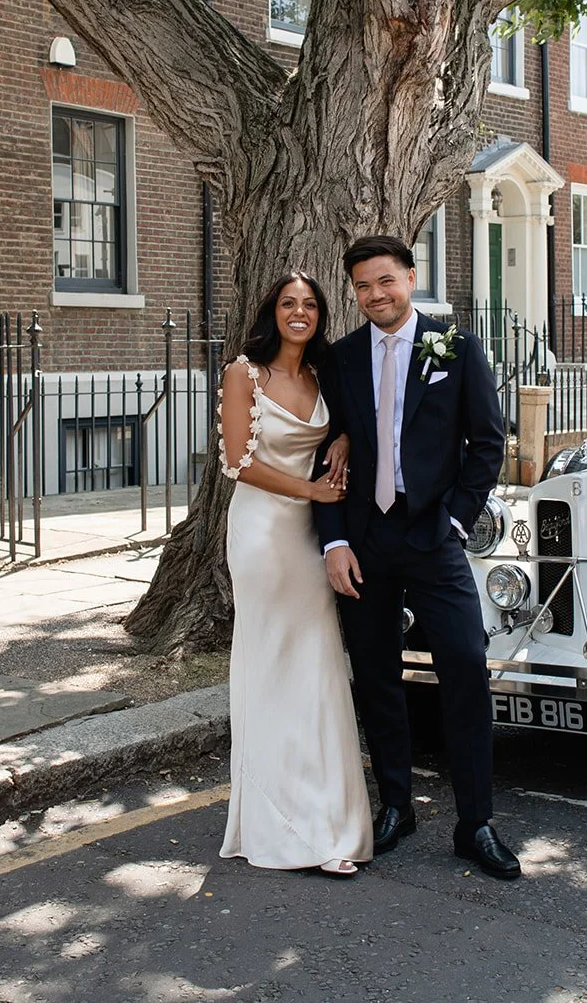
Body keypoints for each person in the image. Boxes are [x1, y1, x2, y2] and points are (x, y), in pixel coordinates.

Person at [313, 235, 521, 880]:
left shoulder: (455, 347)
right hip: (365, 540)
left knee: (464, 665)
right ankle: (396, 804)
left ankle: (475, 822)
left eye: (386, 281)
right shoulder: (342, 358)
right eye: (363, 287)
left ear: (409, 276)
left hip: (435, 537)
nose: (376, 295)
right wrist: (335, 541)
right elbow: (327, 453)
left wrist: (456, 521)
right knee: (375, 677)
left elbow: (488, 443)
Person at [217, 272, 372, 878]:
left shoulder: (322, 373)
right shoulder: (244, 373)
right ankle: (275, 823)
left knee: (317, 669)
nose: (299, 312)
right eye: (288, 303)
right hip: (261, 534)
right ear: (271, 311)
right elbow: (239, 461)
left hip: (310, 536)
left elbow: (352, 422)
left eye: (309, 304)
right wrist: (310, 486)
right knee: (270, 664)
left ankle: (330, 820)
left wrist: (346, 443)